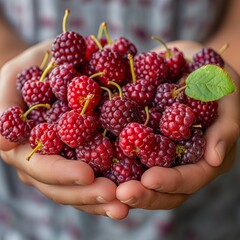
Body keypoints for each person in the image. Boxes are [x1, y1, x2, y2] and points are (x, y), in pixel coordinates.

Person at [0, 0, 239, 239]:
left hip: (202, 215)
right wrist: (8, 57)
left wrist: (228, 72)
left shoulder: (145, 103)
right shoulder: (73, 97)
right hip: (30, 216)